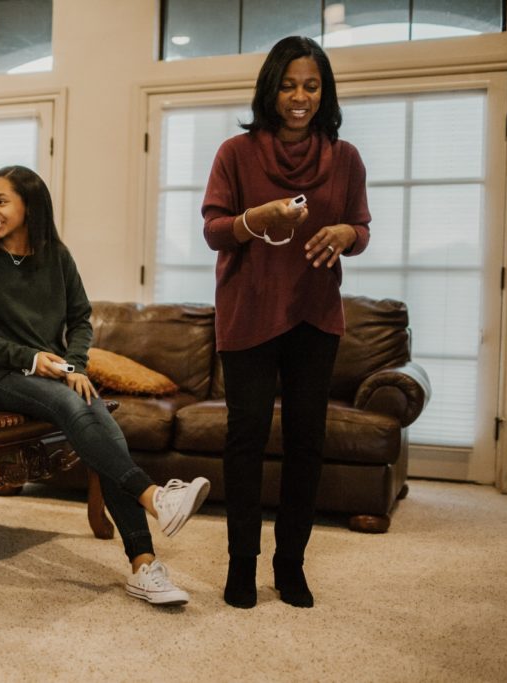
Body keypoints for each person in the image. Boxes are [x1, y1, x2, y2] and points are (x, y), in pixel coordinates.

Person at [0, 165, 210, 606]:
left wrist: (74, 366)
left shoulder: (57, 256)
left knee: (105, 426)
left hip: (54, 372)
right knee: (73, 405)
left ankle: (144, 566)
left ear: (29, 205)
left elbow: (80, 320)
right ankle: (152, 495)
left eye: (0, 201)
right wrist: (34, 359)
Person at [201, 36, 371, 609]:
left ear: (325, 93)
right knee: (245, 440)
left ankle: (290, 564)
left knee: (306, 443)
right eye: (289, 85)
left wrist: (347, 234)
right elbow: (214, 231)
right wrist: (257, 218)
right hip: (248, 314)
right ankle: (241, 565)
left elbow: (361, 227)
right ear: (270, 90)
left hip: (314, 316)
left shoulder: (345, 158)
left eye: (312, 86)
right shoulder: (235, 153)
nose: (300, 97)